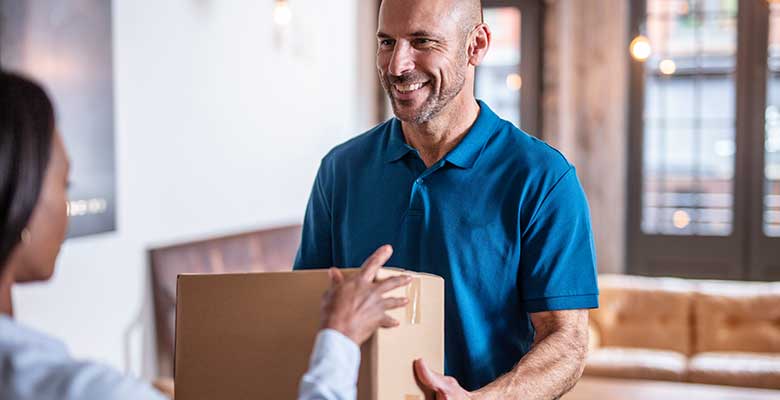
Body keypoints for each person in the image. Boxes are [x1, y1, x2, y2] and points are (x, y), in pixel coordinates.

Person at [0, 71, 410, 400]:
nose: (68, 207)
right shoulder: (79, 387)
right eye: (65, 184)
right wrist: (338, 337)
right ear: (21, 195)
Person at [293, 0, 599, 398]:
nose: (397, 65)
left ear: (476, 45)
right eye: (387, 42)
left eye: (422, 41)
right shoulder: (340, 170)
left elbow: (567, 343)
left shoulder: (543, 179)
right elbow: (307, 312)